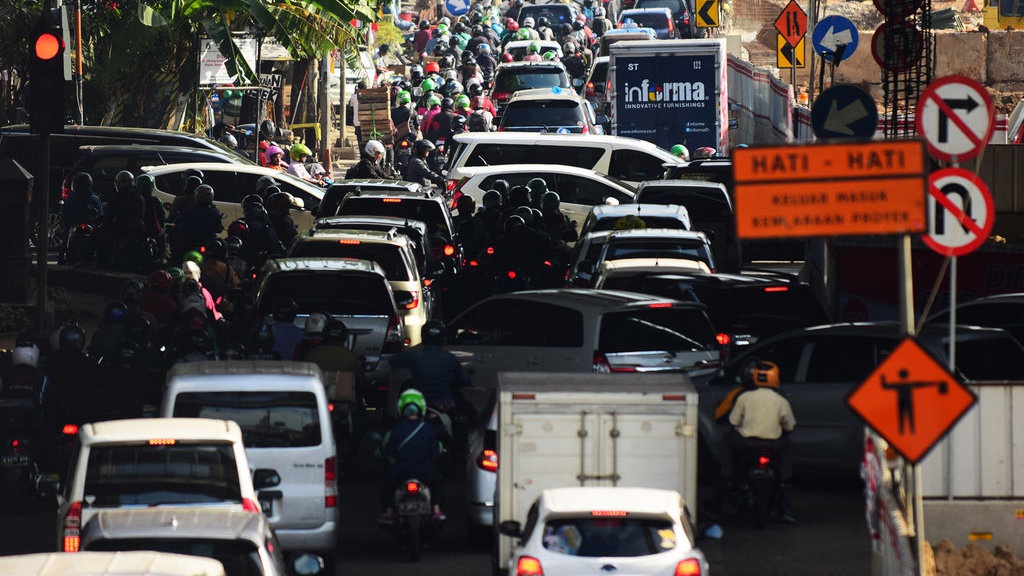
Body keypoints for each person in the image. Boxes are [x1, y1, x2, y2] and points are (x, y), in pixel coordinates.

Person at [721, 360, 796, 522]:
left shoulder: (745, 397)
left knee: (727, 440)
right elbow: (789, 425)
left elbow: (733, 421)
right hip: (773, 445)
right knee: (787, 447)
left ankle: (726, 477)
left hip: (745, 444)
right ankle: (785, 482)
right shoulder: (781, 400)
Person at [377, 388, 446, 525]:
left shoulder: (395, 430)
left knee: (387, 485)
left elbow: (390, 454)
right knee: (436, 483)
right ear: (422, 407)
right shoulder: (428, 429)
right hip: (425, 472)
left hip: (400, 472)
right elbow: (434, 453)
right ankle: (436, 509)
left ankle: (389, 512)